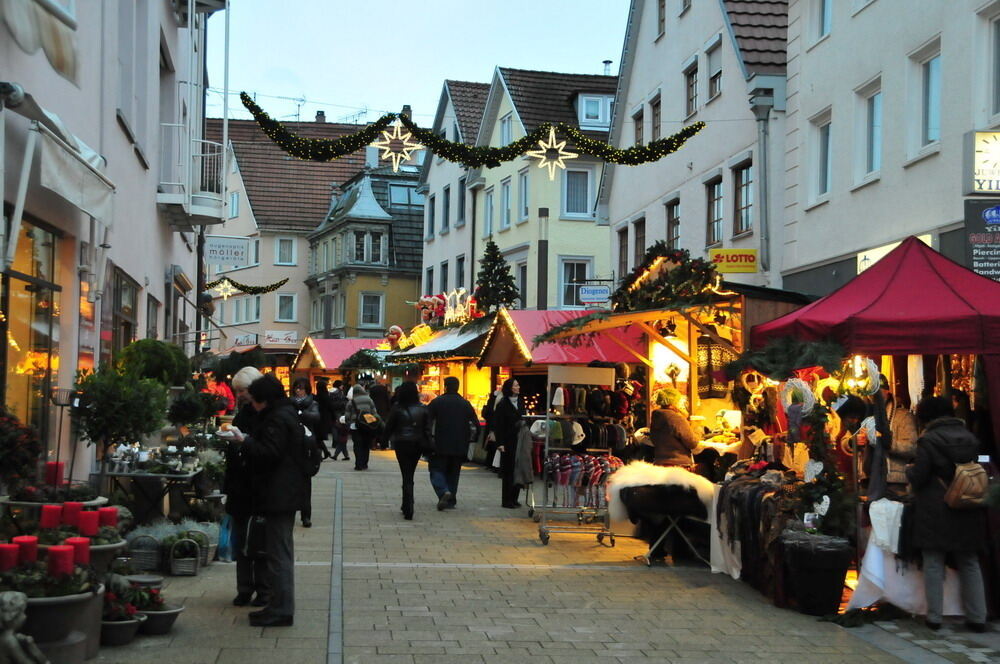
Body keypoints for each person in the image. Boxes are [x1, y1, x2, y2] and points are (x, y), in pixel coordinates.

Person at [228, 374, 306, 627]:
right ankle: (276, 605)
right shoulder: (286, 413)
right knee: (277, 551)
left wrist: (245, 441)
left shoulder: (277, 419)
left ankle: (282, 609)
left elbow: (270, 453)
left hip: (279, 493)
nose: (253, 406)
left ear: (264, 400)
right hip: (284, 492)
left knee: (278, 554)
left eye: (255, 401)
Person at [907, 396, 988, 632]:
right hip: (967, 504)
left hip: (936, 506)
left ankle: (934, 617)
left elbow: (920, 475)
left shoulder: (928, 440)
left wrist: (910, 471)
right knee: (969, 561)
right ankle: (978, 616)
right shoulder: (970, 437)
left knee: (934, 561)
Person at [225, 366, 268, 608]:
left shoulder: (264, 415)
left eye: (242, 390)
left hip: (255, 486)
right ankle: (245, 588)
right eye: (237, 391)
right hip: (240, 487)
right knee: (241, 542)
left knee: (258, 542)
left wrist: (242, 443)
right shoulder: (242, 414)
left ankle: (260, 589)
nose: (238, 395)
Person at [427, 377, 480, 510]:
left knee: (436, 469)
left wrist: (429, 439)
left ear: (445, 386)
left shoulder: (437, 402)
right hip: (459, 445)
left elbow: (427, 421)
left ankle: (443, 491)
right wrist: (472, 440)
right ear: (458, 387)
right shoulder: (465, 404)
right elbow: (476, 425)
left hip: (440, 443)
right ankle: (451, 499)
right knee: (454, 472)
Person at [382, 381, 430, 520]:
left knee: (406, 473)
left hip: (402, 443)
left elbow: (389, 426)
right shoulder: (423, 408)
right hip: (417, 443)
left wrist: (384, 441)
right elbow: (427, 429)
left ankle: (407, 503)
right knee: (410, 473)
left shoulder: (397, 408)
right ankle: (408, 502)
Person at [290, 378, 320, 528]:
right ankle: (291, 511)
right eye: (296, 388)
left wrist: (301, 414)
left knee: (305, 482)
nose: (298, 391)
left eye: (301, 388)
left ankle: (306, 515)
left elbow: (316, 417)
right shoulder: (289, 403)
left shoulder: (312, 403)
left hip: (307, 445)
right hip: (291, 445)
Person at [492, 378, 525, 508]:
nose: (518, 387)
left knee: (517, 469)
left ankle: (515, 497)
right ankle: (506, 500)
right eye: (516, 385)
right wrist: (500, 443)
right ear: (510, 388)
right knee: (508, 471)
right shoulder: (503, 404)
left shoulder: (521, 402)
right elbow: (498, 424)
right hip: (507, 441)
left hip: (520, 440)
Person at [649, 387, 699, 468]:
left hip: (660, 463)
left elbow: (654, 440)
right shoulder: (676, 418)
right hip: (678, 465)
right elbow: (692, 443)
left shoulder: (657, 416)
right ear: (674, 402)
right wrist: (697, 428)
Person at [346, 384, 378, 470]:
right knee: (365, 445)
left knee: (357, 445)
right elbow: (374, 412)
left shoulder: (351, 402)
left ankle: (358, 464)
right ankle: (364, 463)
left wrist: (348, 423)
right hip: (367, 426)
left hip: (355, 426)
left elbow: (347, 416)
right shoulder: (369, 400)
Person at [312, 378, 334, 460]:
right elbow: (331, 408)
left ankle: (322, 454)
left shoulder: (316, 397)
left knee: (318, 437)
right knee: (319, 437)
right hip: (325, 419)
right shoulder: (326, 397)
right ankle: (325, 452)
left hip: (318, 419)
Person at [328, 381, 350, 461]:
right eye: (341, 385)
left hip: (333, 413)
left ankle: (338, 452)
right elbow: (341, 403)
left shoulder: (330, 392)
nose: (342, 386)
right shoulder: (338, 393)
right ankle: (340, 452)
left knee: (336, 428)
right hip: (339, 412)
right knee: (340, 428)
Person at [369, 381, 391, 449]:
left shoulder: (372, 389)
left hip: (374, 411)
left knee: (374, 428)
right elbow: (388, 400)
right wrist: (389, 409)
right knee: (383, 428)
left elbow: (370, 400)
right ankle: (383, 445)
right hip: (383, 411)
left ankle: (373, 445)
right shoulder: (384, 389)